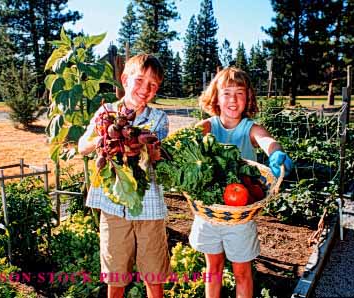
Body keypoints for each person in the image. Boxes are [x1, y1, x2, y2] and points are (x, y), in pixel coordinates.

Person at [189, 67, 293, 298]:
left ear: (248, 98)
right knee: (213, 269)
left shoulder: (250, 128)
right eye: (226, 93)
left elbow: (268, 141)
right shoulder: (208, 126)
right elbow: (192, 136)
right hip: (209, 212)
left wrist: (276, 153)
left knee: (242, 273)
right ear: (216, 97)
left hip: (240, 214)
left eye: (240, 93)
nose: (233, 100)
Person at [78, 54, 170, 298]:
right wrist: (104, 139)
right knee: (116, 275)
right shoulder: (106, 112)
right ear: (125, 79)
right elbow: (82, 145)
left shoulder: (159, 118)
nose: (145, 89)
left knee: (154, 275)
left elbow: (157, 158)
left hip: (149, 207)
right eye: (140, 80)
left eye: (153, 85)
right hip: (113, 206)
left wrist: (147, 147)